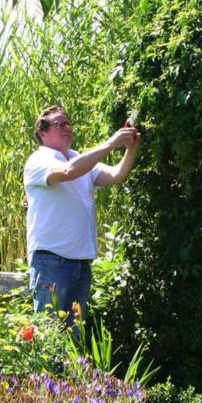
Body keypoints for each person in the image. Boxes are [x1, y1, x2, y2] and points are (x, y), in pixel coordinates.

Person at [23, 106, 140, 324]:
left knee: (73, 336)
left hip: (80, 261)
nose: (66, 127)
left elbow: (116, 175)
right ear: (42, 132)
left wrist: (131, 148)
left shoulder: (79, 158)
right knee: (50, 335)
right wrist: (110, 143)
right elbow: (68, 172)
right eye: (59, 124)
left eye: (68, 123)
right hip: (51, 259)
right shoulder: (39, 160)